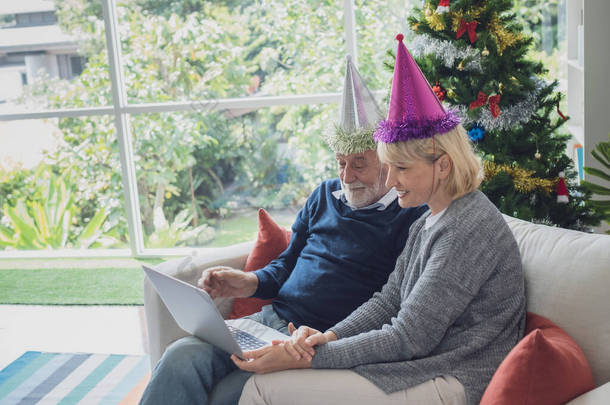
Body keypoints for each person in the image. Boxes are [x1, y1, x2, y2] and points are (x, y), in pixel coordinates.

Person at [233, 34, 526, 405]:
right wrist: (329, 337)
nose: (389, 181)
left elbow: (409, 337)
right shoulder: (430, 220)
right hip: (423, 361)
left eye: (400, 168)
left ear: (443, 165)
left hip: (454, 374)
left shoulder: (466, 229)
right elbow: (388, 302)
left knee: (263, 389)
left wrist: (307, 359)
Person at [139, 55, 426, 405]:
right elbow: (288, 263)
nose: (347, 176)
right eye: (341, 163)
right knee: (180, 355)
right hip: (270, 320)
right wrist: (247, 282)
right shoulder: (323, 195)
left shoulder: (409, 214)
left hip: (314, 344)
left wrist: (327, 343)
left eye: (359, 165)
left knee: (233, 394)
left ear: (386, 160)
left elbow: (394, 305)